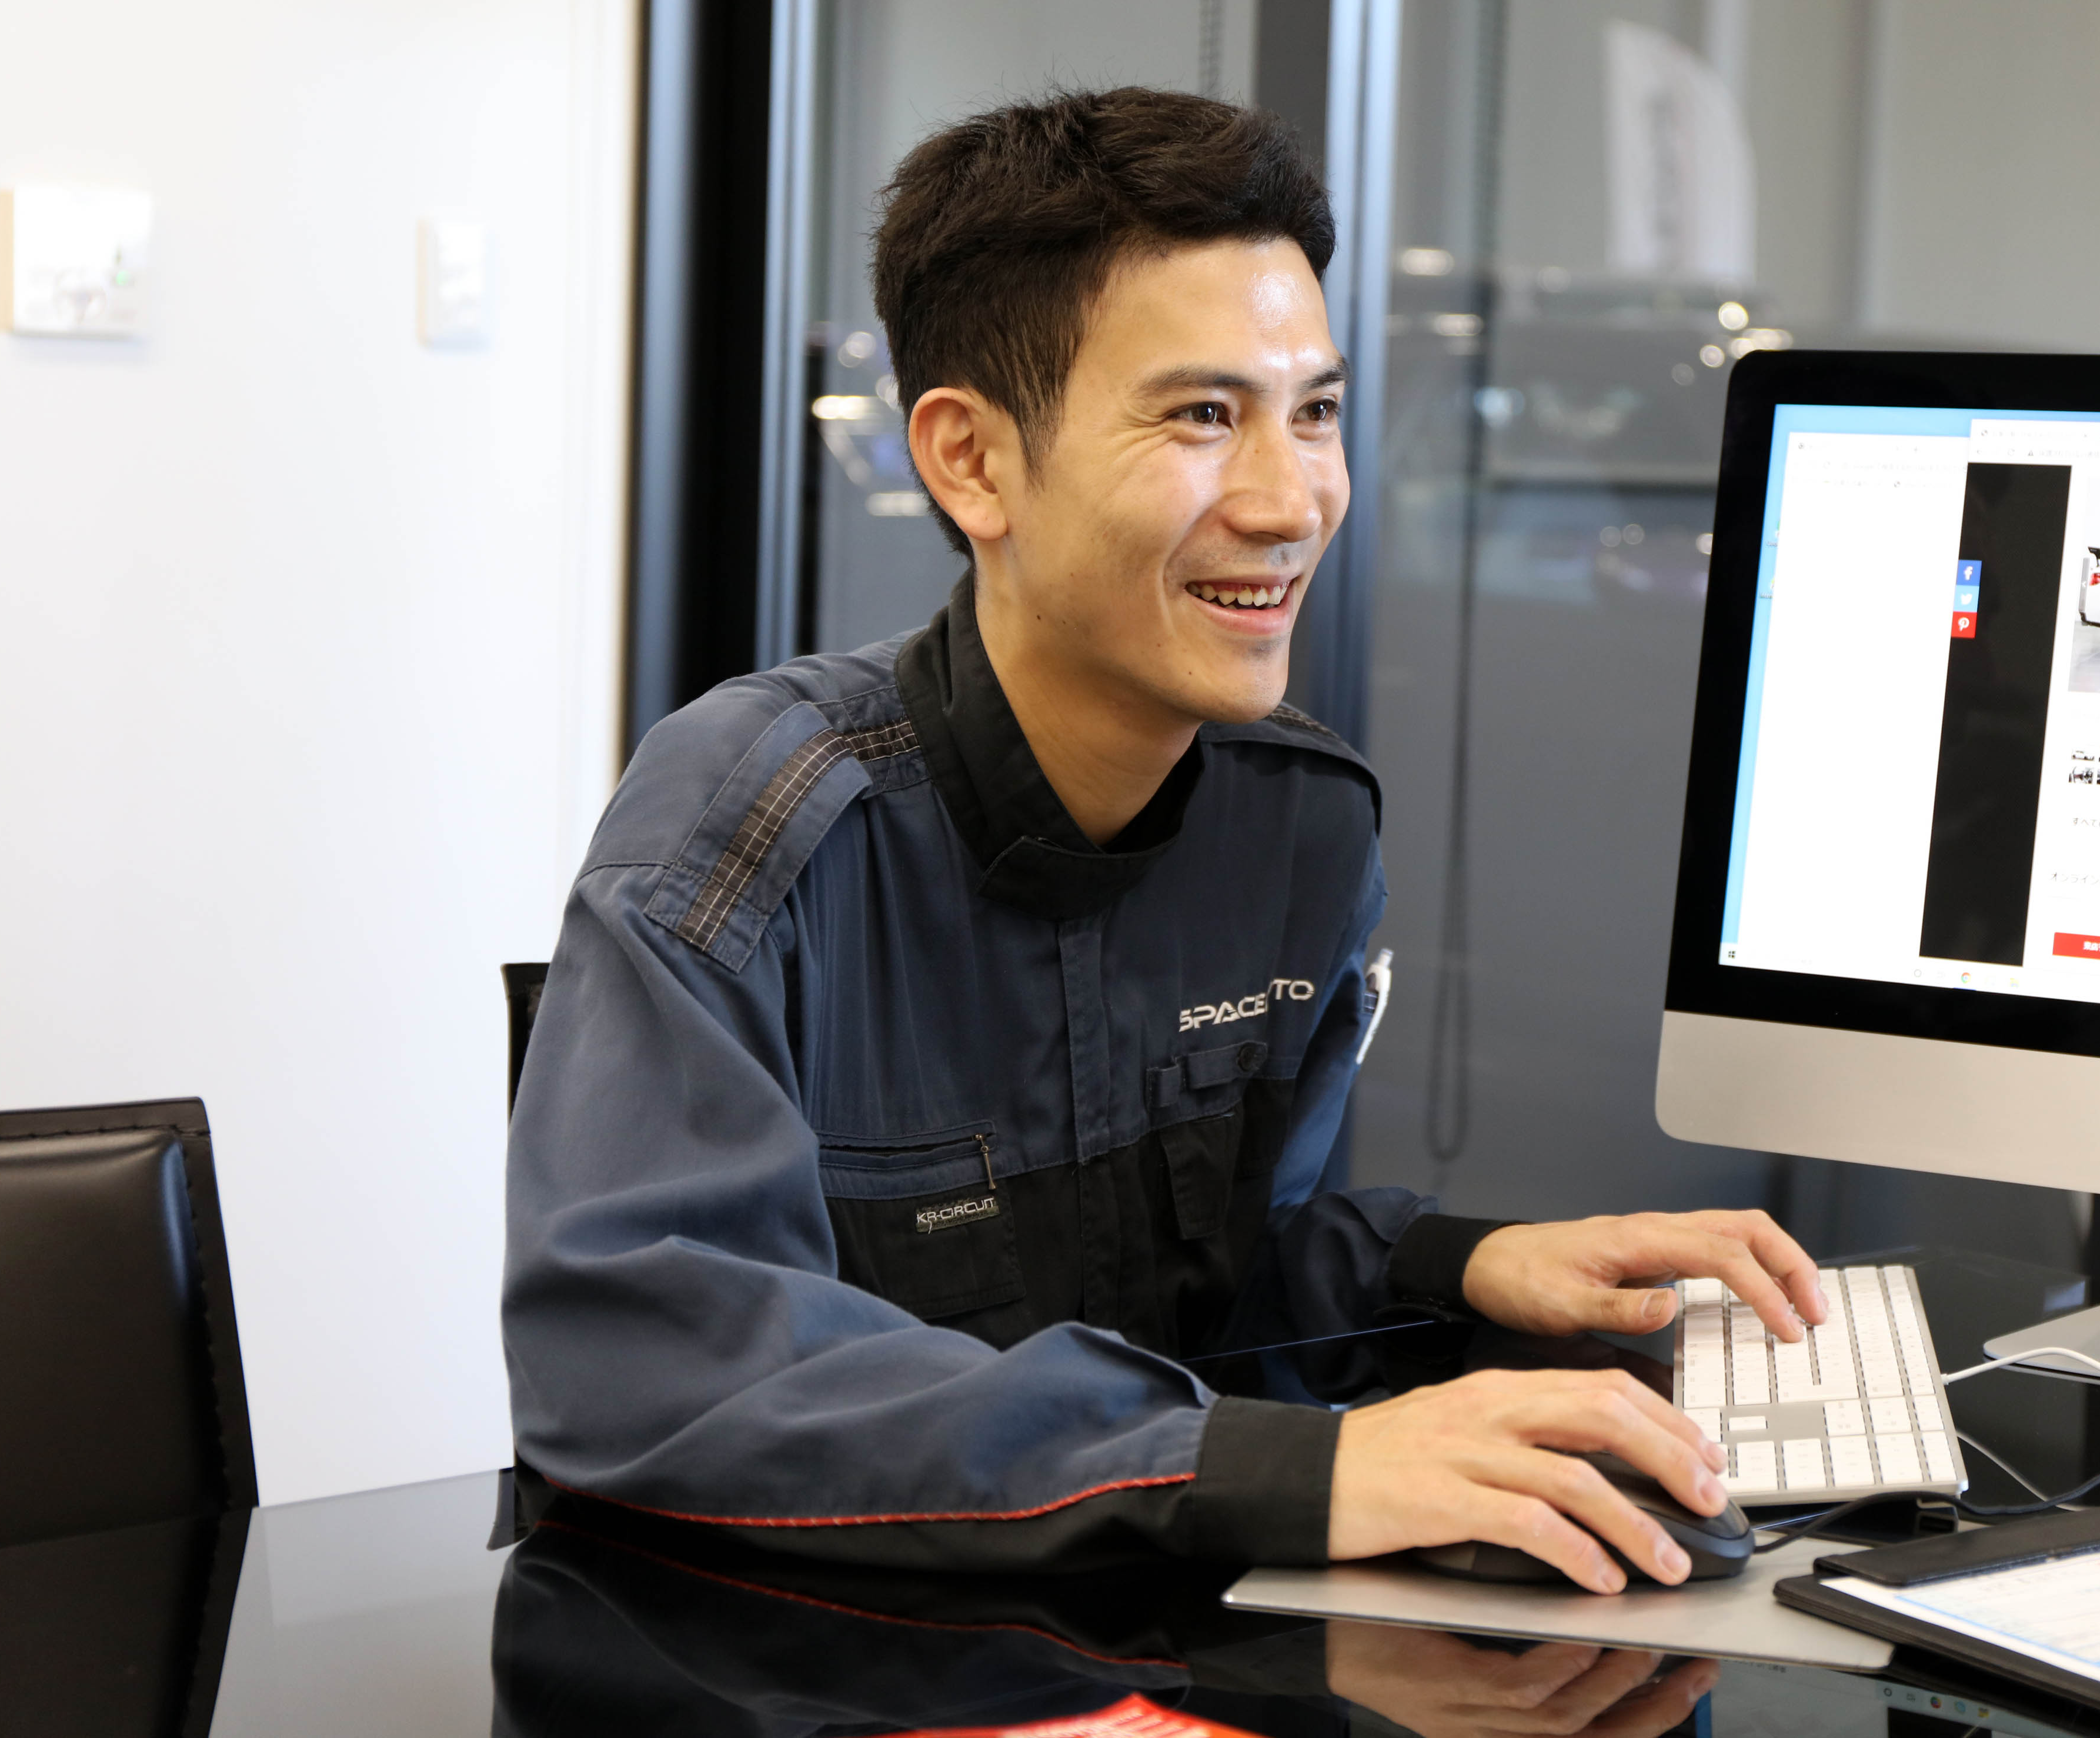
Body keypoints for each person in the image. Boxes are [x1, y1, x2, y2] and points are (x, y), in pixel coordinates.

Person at [503, 88, 1828, 1593]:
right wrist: (1297, 1470)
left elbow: (1212, 1290)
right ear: (970, 461)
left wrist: (1453, 1265)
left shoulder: (1298, 823)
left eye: (1313, 411)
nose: (1292, 498)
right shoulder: (748, 823)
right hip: (807, 1659)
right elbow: (649, 1371)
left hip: (1144, 1634)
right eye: (1203, 416)